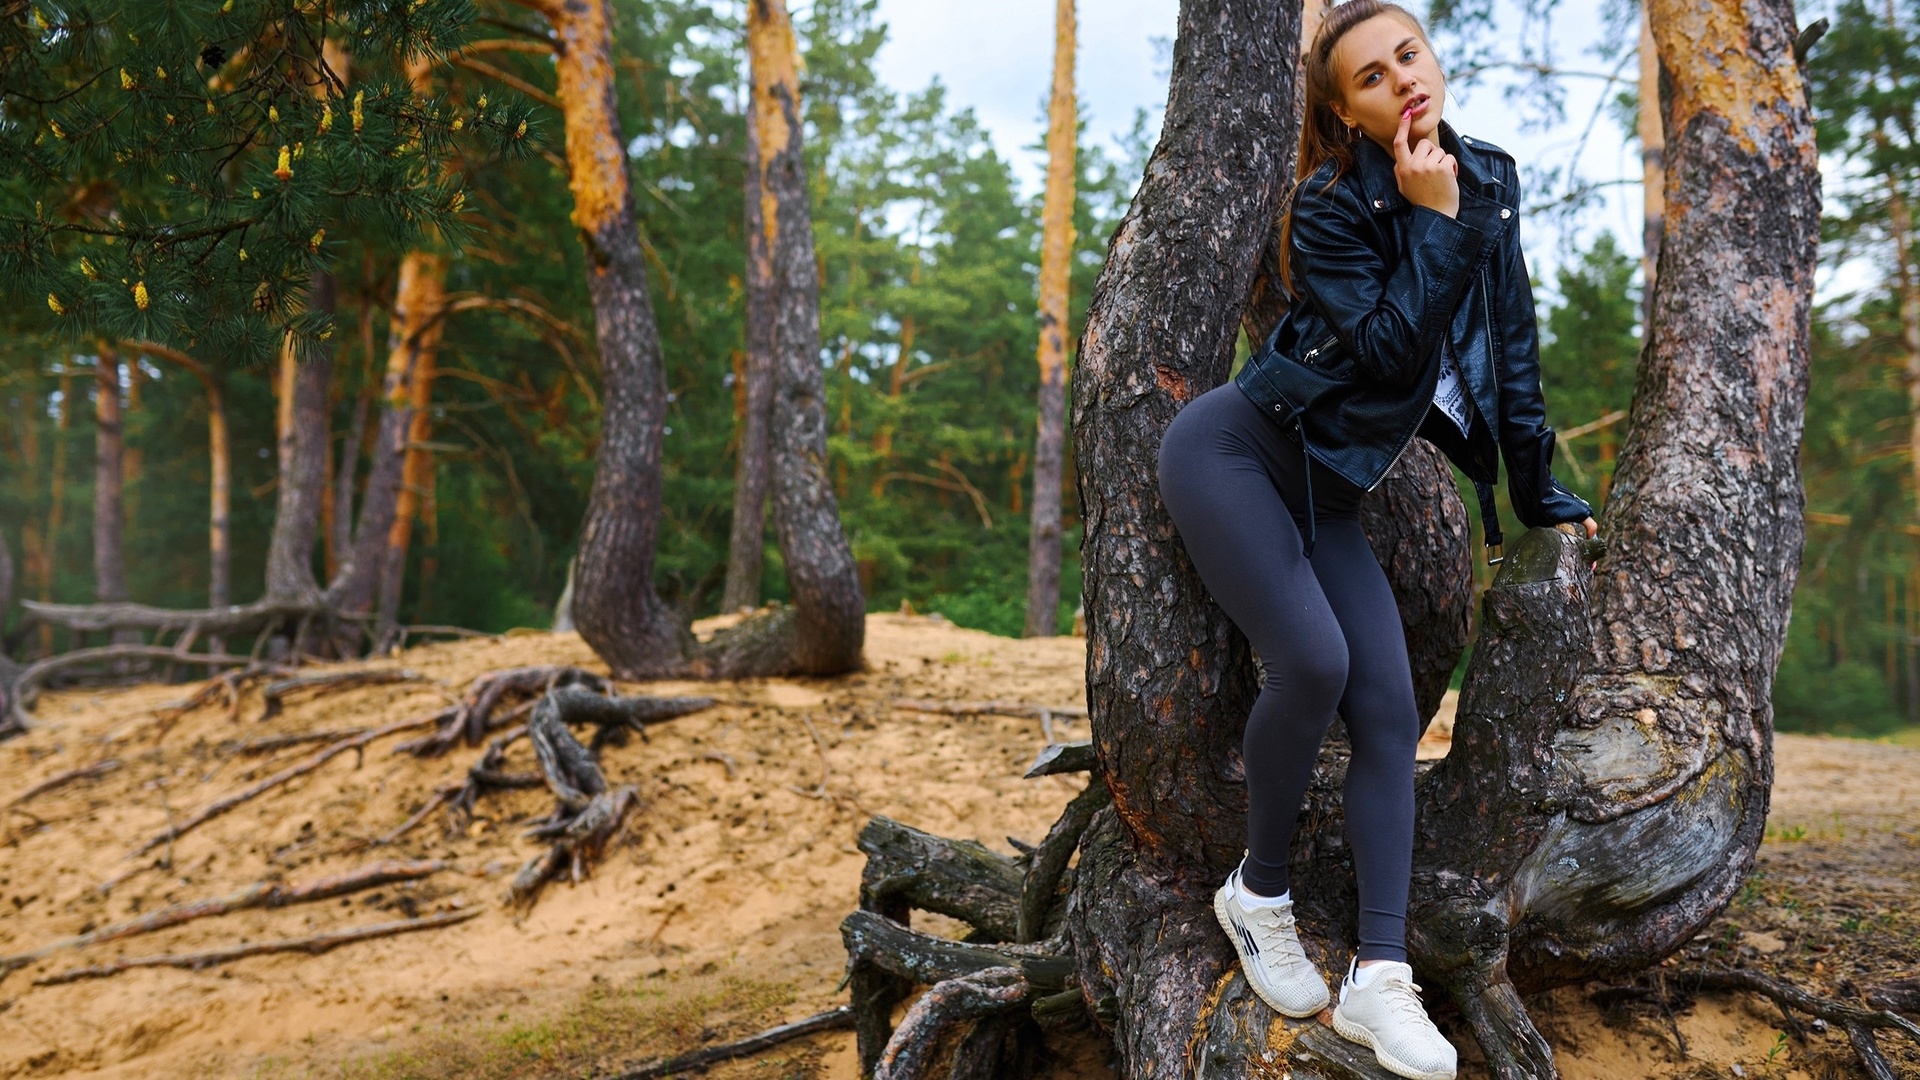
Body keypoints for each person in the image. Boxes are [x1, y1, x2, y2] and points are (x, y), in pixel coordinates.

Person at [1154, 3, 1597, 1079]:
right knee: (1313, 661)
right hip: (1237, 452)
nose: (1399, 81)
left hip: (1329, 494)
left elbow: (1511, 345)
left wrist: (1541, 493)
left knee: (1393, 712)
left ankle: (1379, 979)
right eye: (1368, 77)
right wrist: (1432, 218)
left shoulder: (1485, 178)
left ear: (1434, 61)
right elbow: (1396, 355)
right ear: (1343, 112)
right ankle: (1257, 896)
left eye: (1409, 54)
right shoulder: (1329, 205)